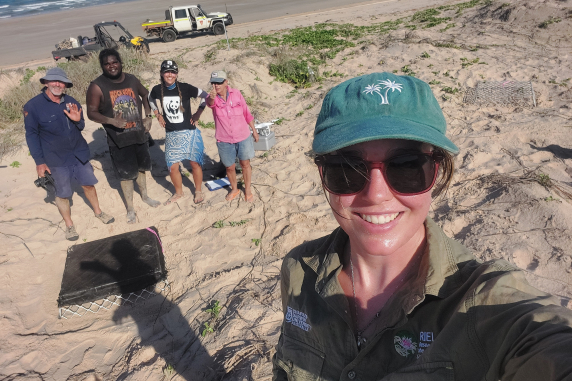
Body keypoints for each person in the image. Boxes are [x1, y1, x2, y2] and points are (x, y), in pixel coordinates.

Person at [273, 73, 572, 380]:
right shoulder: (298, 272)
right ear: (323, 174)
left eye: (407, 166)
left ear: (437, 172)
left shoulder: (481, 299)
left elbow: (541, 337)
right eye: (346, 169)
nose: (376, 195)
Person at [24, 68, 114, 241]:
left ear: (65, 84)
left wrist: (76, 120)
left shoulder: (71, 101)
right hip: (55, 158)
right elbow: (31, 135)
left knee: (88, 184)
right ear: (45, 83)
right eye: (54, 81)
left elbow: (80, 126)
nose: (58, 84)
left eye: (61, 82)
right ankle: (69, 225)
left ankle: (98, 212)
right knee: (63, 192)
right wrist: (39, 162)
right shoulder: (33, 106)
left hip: (79, 153)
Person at [86, 49, 160, 224]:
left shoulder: (132, 79)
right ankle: (130, 209)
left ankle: (145, 196)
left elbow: (145, 94)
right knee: (126, 175)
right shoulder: (97, 86)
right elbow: (91, 113)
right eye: (107, 63)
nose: (112, 66)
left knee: (142, 168)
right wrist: (111, 121)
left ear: (120, 62)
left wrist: (148, 116)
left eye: (114, 62)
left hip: (139, 134)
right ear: (102, 66)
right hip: (119, 140)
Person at [148, 60, 208, 205]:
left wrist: (198, 113)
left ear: (177, 74)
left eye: (173, 72)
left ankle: (198, 190)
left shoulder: (186, 88)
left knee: (194, 163)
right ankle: (178, 192)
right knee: (172, 166)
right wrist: (157, 113)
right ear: (162, 73)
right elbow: (149, 98)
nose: (170, 75)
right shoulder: (157, 89)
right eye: (167, 71)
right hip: (172, 134)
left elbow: (205, 95)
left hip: (189, 132)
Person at [206, 70, 259, 202]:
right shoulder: (212, 97)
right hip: (224, 139)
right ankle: (234, 189)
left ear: (226, 82)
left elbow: (246, 112)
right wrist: (212, 97)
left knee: (245, 163)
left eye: (219, 83)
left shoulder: (237, 94)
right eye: (213, 83)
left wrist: (254, 130)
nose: (216, 86)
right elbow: (210, 103)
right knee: (229, 166)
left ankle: (247, 189)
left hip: (243, 136)